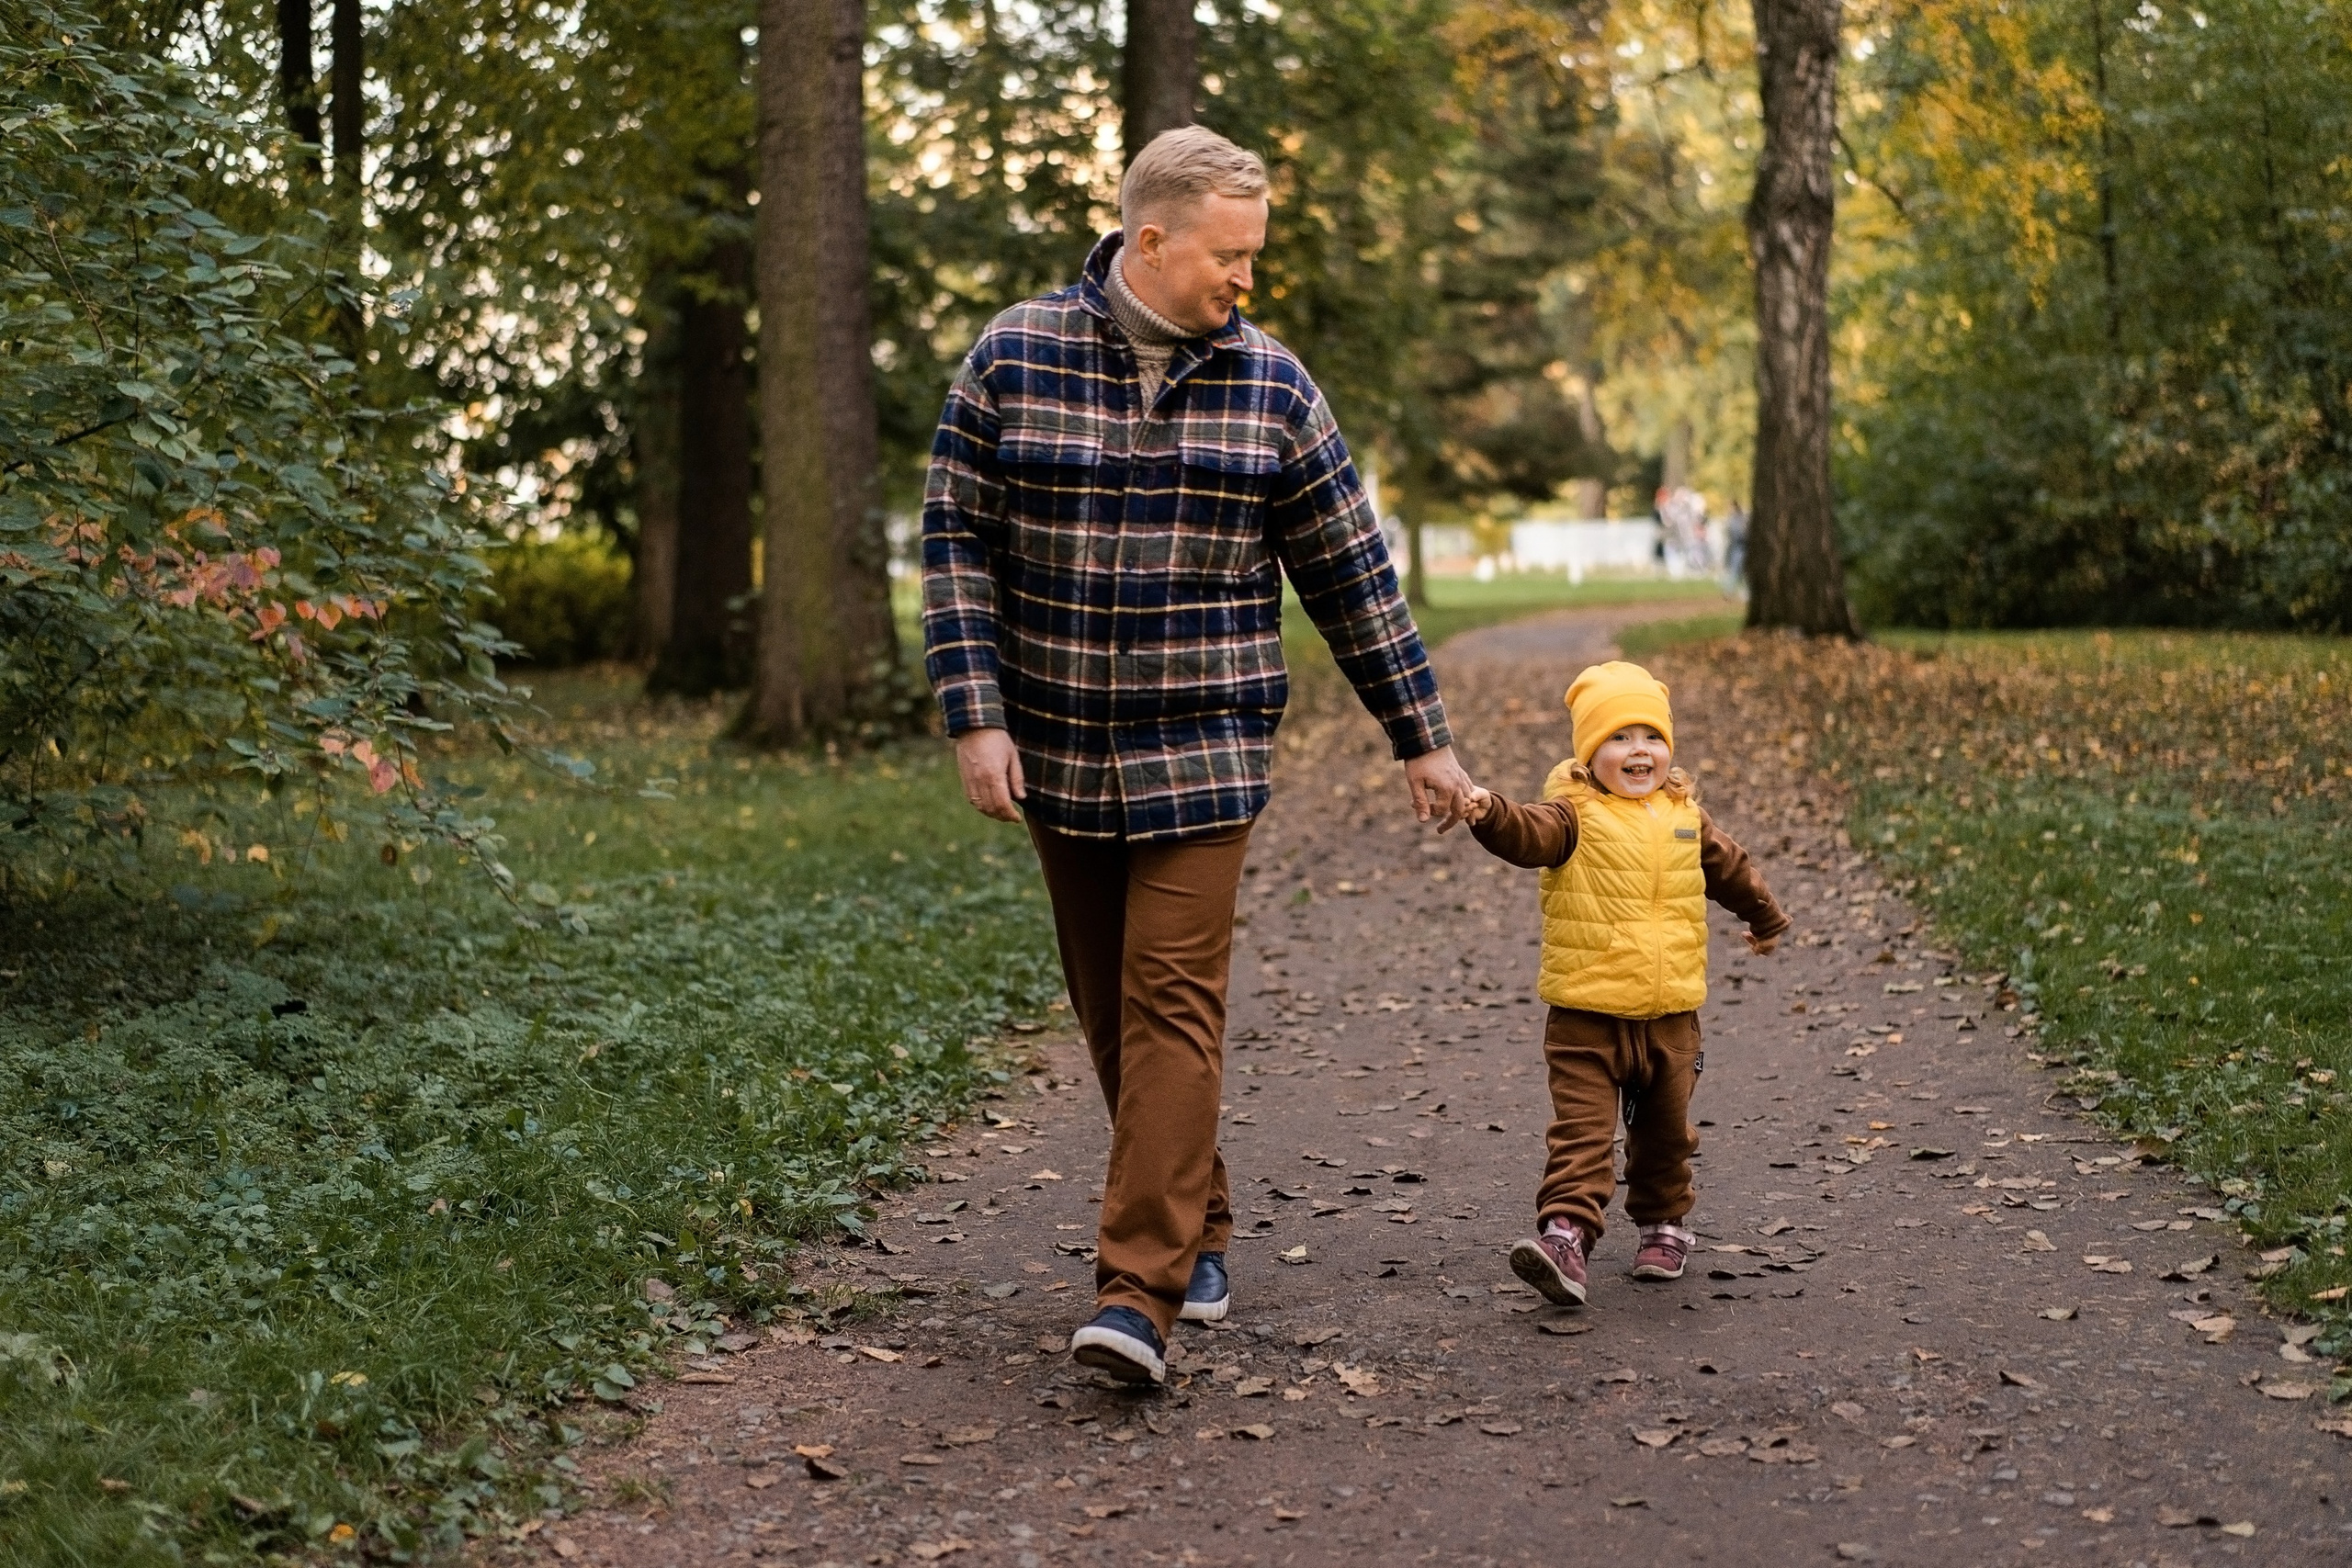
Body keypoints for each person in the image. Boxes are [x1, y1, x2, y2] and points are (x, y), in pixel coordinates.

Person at [921, 125, 1478, 1384]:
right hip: (1058, 743)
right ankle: (1200, 1221)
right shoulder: (1014, 354)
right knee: (1110, 1009)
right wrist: (975, 710)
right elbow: (953, 539)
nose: (1246, 279)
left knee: (1172, 1001)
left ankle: (1138, 1293)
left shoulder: (1271, 385)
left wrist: (1421, 737)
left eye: (1254, 256)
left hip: (1204, 750)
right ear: (1151, 238)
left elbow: (1349, 573)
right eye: (1230, 256)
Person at [1460, 661, 1788, 1305]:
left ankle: (1665, 1225)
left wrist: (1766, 918)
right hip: (1587, 1017)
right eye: (1619, 736)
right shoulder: (1572, 815)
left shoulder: (1686, 816)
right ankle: (1565, 1237)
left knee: (1665, 1135)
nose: (1639, 749)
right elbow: (1525, 834)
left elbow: (1731, 869)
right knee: (1582, 1134)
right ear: (1589, 753)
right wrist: (1488, 812)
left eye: (1651, 736)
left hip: (1670, 1020)